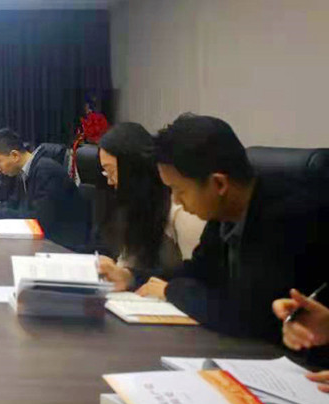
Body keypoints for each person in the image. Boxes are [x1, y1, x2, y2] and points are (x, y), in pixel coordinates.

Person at [146, 113, 329, 341]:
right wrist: (133, 277)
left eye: (180, 190)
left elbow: (248, 317)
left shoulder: (287, 217)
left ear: (219, 183)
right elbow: (198, 271)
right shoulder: (223, 213)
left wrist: (171, 290)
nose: (176, 200)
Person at [93, 123, 205, 291]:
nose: (110, 181)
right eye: (106, 173)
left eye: (112, 172)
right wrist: (118, 272)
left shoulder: (183, 211)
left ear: (133, 169)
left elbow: (200, 281)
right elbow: (128, 267)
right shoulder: (138, 206)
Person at [0, 128, 89, 250]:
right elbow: (13, 204)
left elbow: (37, 220)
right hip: (44, 240)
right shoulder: (23, 172)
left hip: (64, 246)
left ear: (15, 155)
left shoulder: (46, 171)